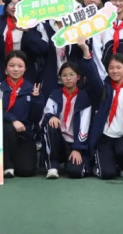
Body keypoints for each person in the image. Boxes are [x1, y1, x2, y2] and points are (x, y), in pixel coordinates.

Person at [41, 41, 94, 179]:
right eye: (64, 75)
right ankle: (52, 166)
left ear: (78, 77)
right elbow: (46, 114)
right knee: (50, 124)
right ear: (60, 78)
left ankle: (73, 160)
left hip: (74, 142)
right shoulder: (55, 94)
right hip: (59, 140)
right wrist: (51, 117)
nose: (68, 78)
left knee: (75, 173)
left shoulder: (84, 97)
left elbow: (84, 126)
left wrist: (77, 148)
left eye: (71, 74)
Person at [84, 53, 123, 180]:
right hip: (104, 137)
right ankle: (105, 164)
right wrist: (86, 54)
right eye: (111, 68)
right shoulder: (103, 88)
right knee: (107, 174)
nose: (115, 71)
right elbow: (92, 76)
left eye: (119, 67)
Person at [0, 51, 43, 178]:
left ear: (25, 68)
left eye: (20, 66)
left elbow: (36, 118)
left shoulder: (32, 89)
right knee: (8, 127)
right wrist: (13, 120)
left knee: (27, 171)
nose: (15, 69)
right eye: (11, 65)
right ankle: (7, 166)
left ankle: (15, 161)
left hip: (24, 134)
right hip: (4, 134)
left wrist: (36, 100)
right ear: (6, 68)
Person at [0, 0, 49, 85]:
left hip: (27, 71)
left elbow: (41, 49)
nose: (14, 7)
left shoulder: (33, 23)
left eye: (18, 4)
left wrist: (28, 31)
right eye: (11, 4)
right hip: (2, 69)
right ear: (6, 7)